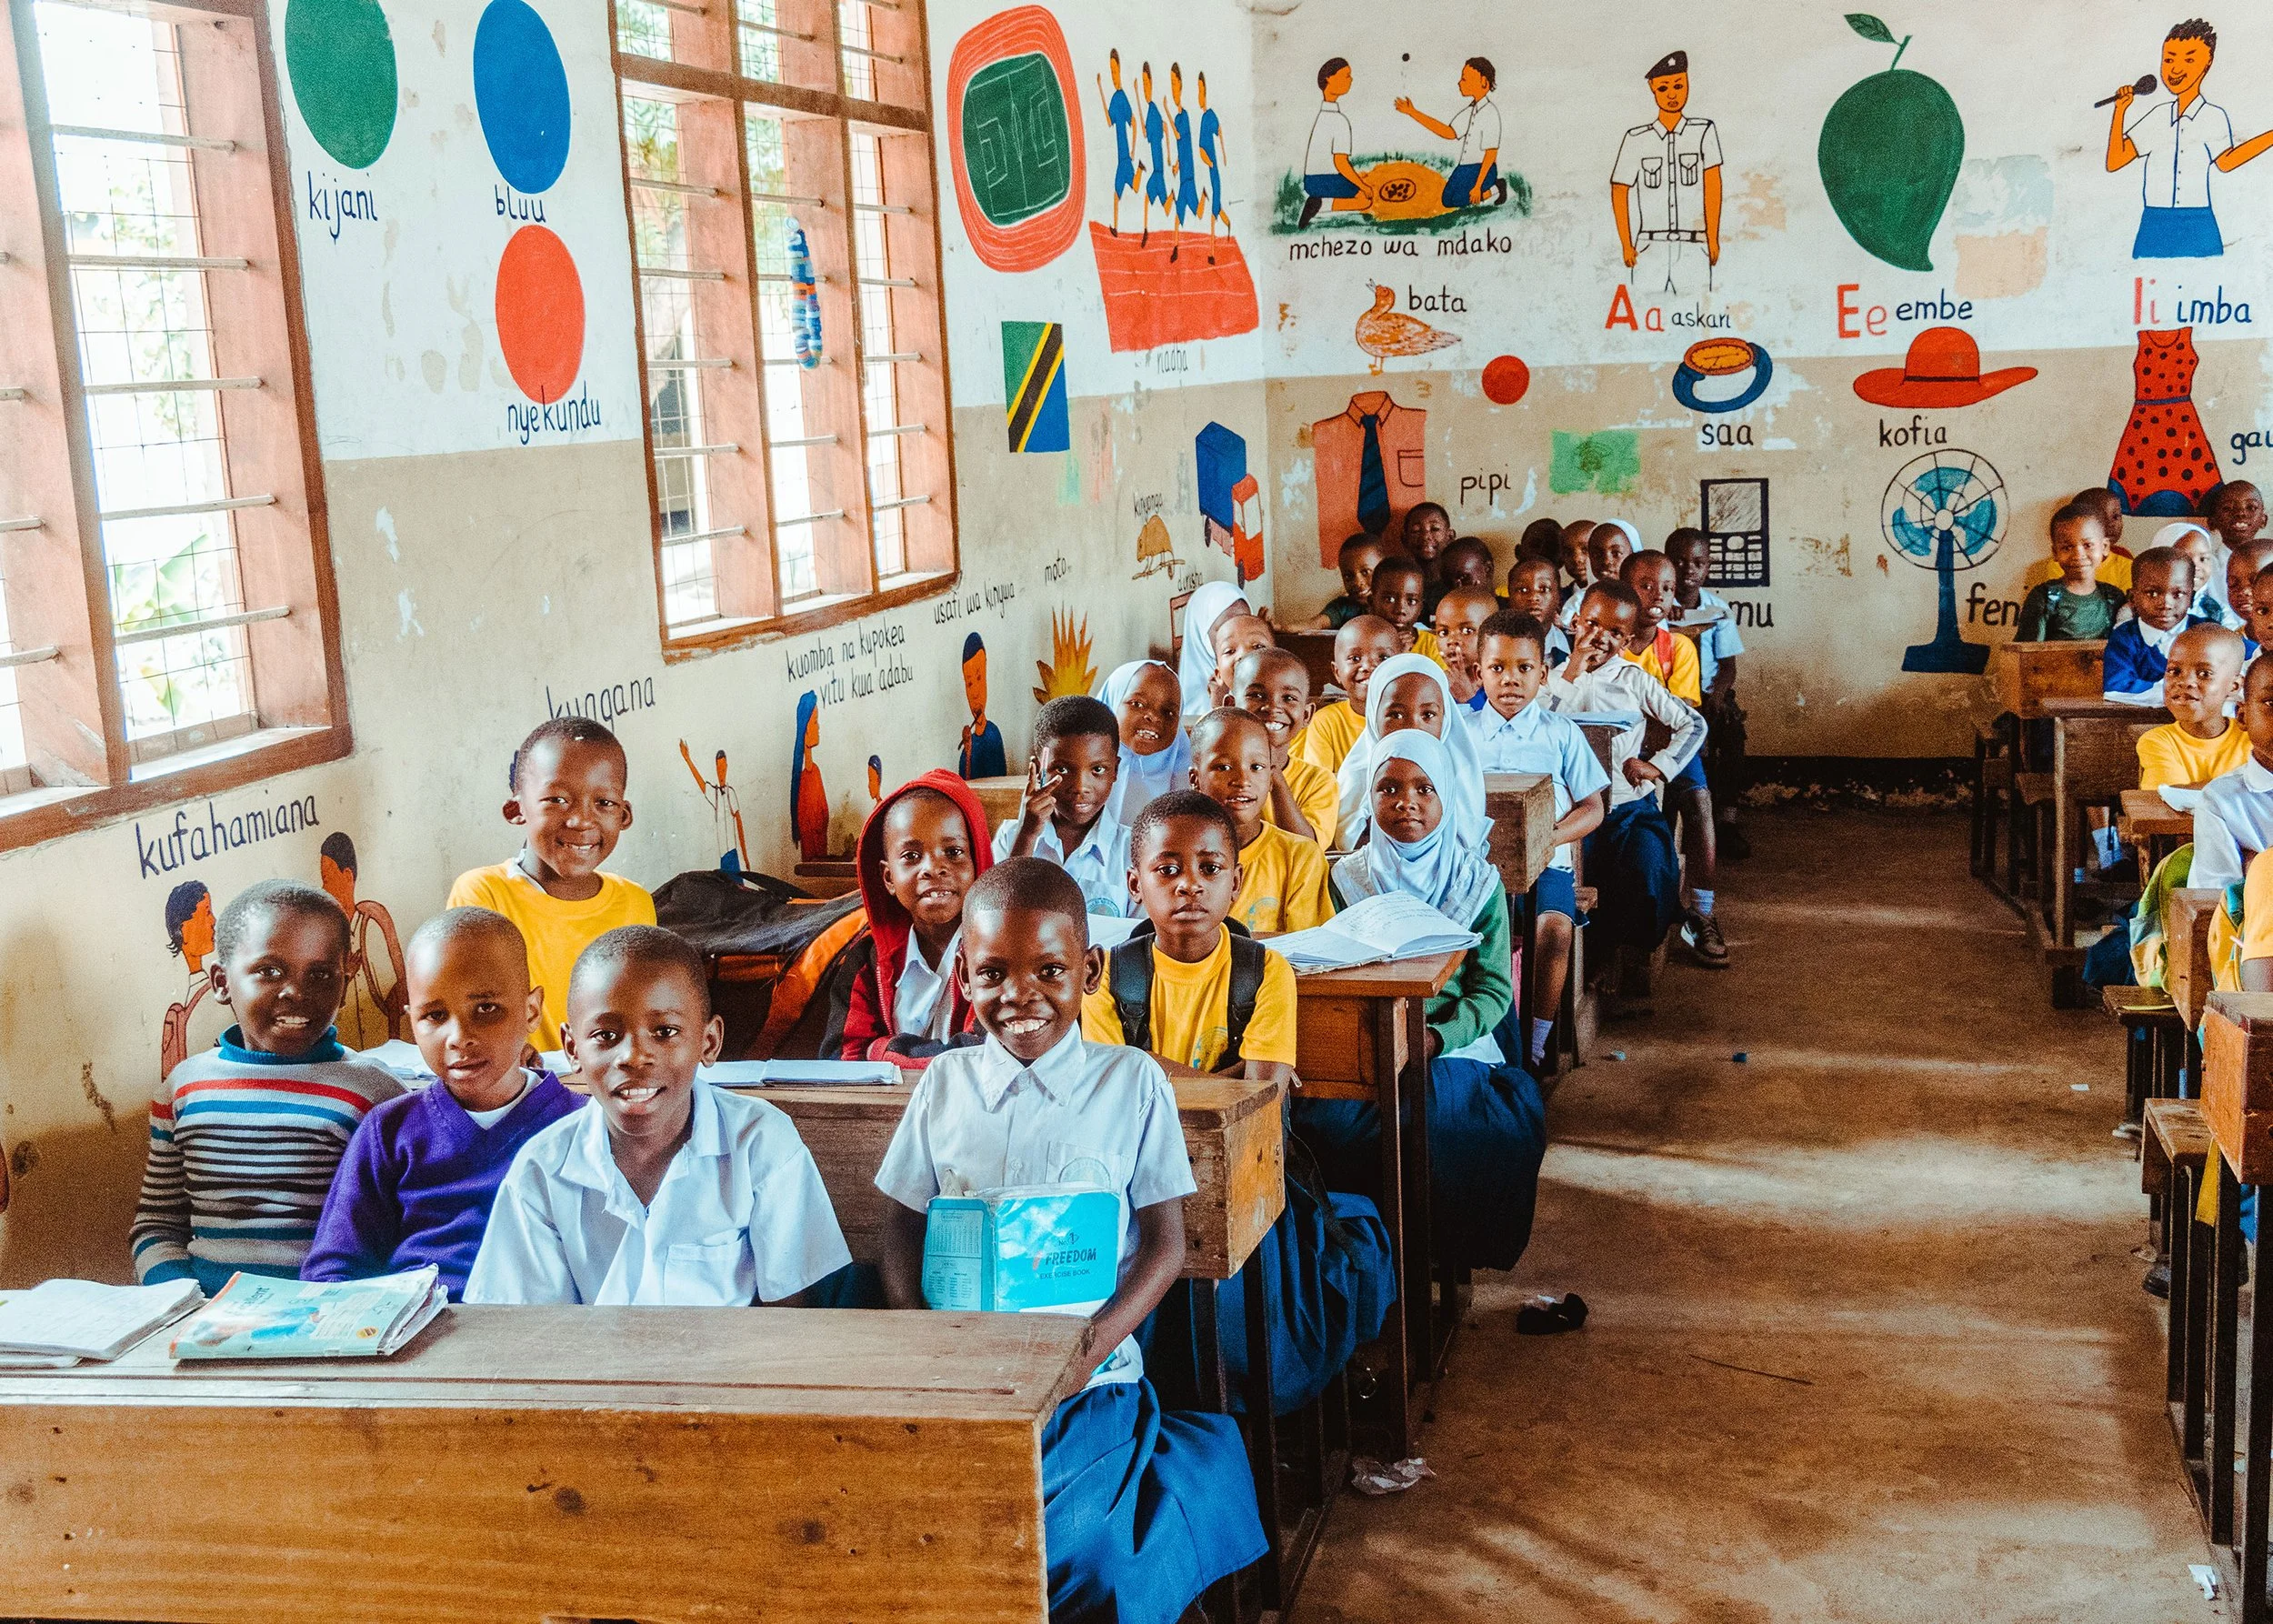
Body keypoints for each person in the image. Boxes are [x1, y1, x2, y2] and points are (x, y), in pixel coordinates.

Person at [876, 858, 1267, 1624]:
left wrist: (1084, 1352)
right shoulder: (946, 1084)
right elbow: (900, 1224)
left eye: (1049, 970)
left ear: (1088, 970)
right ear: (962, 975)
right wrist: (921, 1335)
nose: (1019, 996)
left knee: (1076, 1548)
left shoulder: (1129, 1084)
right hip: (963, 1382)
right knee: (920, 1538)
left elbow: (1164, 1247)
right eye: (992, 973)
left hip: (1088, 1384)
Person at [1084, 795, 1393, 1417]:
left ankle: (1239, 1420)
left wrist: (1150, 1074)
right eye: (1166, 869)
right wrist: (1217, 1079)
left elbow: (1261, 1095)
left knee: (1250, 1320)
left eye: (1208, 868)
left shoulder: (1265, 971)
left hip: (1244, 1178)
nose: (1188, 885)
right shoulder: (1110, 974)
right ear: (1134, 884)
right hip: (1135, 1190)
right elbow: (1109, 1090)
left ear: (1237, 881)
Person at [466, 927, 851, 1306]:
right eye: (605, 1035)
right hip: (594, 1365)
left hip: (732, 1365)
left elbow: (790, 1309)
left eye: (665, 1031)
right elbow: (529, 1326)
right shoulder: (543, 1168)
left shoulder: (758, 1141)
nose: (634, 1056)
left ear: (709, 1042)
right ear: (572, 1049)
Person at [1297, 732, 1546, 1271]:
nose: (1405, 801)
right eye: (1387, 787)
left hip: (1454, 1043)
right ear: (1370, 799)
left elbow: (1493, 989)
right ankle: (1373, 1259)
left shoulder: (1478, 883)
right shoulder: (1344, 879)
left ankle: (1438, 1258)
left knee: (1457, 1127)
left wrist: (1437, 1037)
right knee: (1331, 1128)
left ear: (1447, 799)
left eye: (1424, 789)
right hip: (1367, 1048)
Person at [131, 882, 404, 1292]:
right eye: (269, 971)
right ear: (221, 983)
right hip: (209, 1318)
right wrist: (179, 1295)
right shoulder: (182, 1090)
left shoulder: (374, 1094)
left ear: (345, 981)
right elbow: (157, 1222)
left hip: (331, 1311)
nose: (296, 991)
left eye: (321, 974)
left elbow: (404, 1221)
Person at [302, 908, 582, 1299]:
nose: (459, 1036)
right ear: (412, 1021)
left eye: (486, 1008)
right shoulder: (389, 1130)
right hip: (415, 1334)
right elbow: (333, 1270)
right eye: (434, 1015)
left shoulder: (583, 1126)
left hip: (540, 1333)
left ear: (531, 1011)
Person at [448, 717, 655, 1054]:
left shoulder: (634, 902)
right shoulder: (484, 894)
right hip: (519, 1085)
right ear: (516, 809)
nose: (581, 820)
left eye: (604, 803)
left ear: (624, 815)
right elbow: (469, 1007)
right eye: (557, 800)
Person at [1467, 613, 1610, 1072]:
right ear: (1478, 672)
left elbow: (1593, 807)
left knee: (1554, 928)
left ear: (1543, 674)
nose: (1511, 679)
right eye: (1497, 668)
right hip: (1478, 865)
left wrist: (1545, 838)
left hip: (1549, 861)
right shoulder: (1461, 736)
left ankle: (1535, 1044)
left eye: (1524, 668)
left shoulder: (1560, 733)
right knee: (1474, 936)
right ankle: (1485, 1039)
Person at [1545, 582, 1705, 982]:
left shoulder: (1634, 680)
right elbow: (1537, 722)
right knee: (1567, 878)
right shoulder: (1551, 675)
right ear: (1575, 623)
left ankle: (1626, 953)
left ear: (1628, 640)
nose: (1600, 637)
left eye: (1615, 633)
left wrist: (1660, 765)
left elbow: (1693, 723)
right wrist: (1572, 671)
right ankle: (1586, 962)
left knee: (1648, 868)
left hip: (1627, 806)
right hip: (1570, 809)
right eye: (1593, 625)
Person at [836, 771, 992, 1065]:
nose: (933, 868)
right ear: (888, 878)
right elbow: (844, 1058)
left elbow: (982, 1056)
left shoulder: (999, 958)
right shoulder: (865, 961)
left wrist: (879, 1051)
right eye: (911, 856)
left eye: (954, 851)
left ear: (978, 861)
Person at [1620, 550, 1724, 967]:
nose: (1657, 596)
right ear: (1625, 591)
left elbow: (1679, 721)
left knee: (1699, 803)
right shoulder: (1608, 644)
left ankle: (1701, 912)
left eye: (1666, 587)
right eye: (1645, 586)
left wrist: (1644, 723)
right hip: (1619, 754)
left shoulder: (1677, 647)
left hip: (1670, 752)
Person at [1189, 710, 1335, 934]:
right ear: (1195, 779)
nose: (1243, 780)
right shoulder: (1176, 854)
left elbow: (1310, 951)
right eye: (1223, 767)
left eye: (1256, 767)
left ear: (1271, 779)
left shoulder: (1300, 856)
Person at [2105, 18, 2238, 260]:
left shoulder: (2213, 116)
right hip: (2154, 223)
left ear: (2207, 63)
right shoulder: (2157, 116)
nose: (2175, 69)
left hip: (2198, 222)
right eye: (2169, 60)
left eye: (2189, 59)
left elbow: (2226, 162)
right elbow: (2115, 161)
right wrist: (2120, 110)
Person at [1333, 651, 1491, 849]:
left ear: (1446, 719)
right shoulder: (1355, 777)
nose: (1413, 727)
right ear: (1374, 718)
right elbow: (1345, 844)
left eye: (1428, 715)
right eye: (1396, 715)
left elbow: (1466, 841)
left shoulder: (1462, 776)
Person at [996, 696, 1133, 917]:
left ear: (1115, 770)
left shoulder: (1131, 851)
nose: (1080, 787)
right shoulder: (1011, 837)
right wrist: (1027, 835)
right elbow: (996, 914)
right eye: (1062, 770)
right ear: (1039, 770)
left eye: (1097, 769)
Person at [1666, 526, 1750, 860]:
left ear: (1709, 567)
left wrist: (1716, 695)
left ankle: (1726, 820)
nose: (1689, 570)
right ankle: (1679, 816)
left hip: (1709, 691)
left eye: (1698, 563)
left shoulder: (1718, 609)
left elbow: (1728, 666)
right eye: (1680, 562)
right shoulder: (1658, 602)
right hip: (1669, 694)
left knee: (1731, 731)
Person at [1611, 50, 1723, 296]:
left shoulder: (1703, 131)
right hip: (1651, 247)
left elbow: (1712, 184)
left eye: (1678, 85)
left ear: (1687, 83)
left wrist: (1712, 238)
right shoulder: (1636, 139)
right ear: (1652, 88)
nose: (1672, 94)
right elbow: (1620, 189)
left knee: (1698, 312)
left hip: (1694, 244)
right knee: (1645, 312)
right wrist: (1626, 244)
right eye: (1663, 88)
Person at [1235, 647, 1338, 847]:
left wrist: (1272, 772)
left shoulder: (1318, 782)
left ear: (1307, 715)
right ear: (1231, 704)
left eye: (1288, 698)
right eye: (1256, 695)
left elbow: (1307, 849)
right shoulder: (1220, 771)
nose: (1272, 707)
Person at [2192, 654, 2273, 892]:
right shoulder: (2222, 801)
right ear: (2242, 715)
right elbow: (2219, 903)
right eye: (2272, 703)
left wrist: (2256, 867)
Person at [2141, 624, 2250, 790]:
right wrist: (2241, 788)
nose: (2185, 682)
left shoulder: (2252, 740)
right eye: (2174, 671)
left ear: (2234, 686)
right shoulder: (2158, 741)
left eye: (2204, 674)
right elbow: (2170, 798)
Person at [1394, 56, 1506, 211]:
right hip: (1465, 168)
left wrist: (1478, 186)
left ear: (1484, 82)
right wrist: (1413, 112)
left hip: (1483, 169)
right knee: (1447, 200)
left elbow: (1491, 153)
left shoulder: (1490, 113)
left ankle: (1496, 188)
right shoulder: (1471, 110)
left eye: (1465, 79)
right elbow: (1449, 132)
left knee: (1460, 199)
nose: (1460, 83)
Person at [2105, 546, 2209, 707]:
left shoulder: (2207, 633)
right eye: (2152, 593)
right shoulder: (2125, 637)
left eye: (2178, 594)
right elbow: (2117, 689)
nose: (2166, 604)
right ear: (2132, 598)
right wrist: (2181, 693)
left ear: (2192, 599)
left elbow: (2244, 660)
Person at [1297, 614, 1399, 780]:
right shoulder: (1326, 723)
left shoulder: (1408, 720)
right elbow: (1320, 786)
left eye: (1383, 658)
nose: (1367, 666)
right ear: (1337, 672)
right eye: (1355, 658)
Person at [2014, 504, 2126, 642]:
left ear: (2104, 547)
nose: (2078, 555)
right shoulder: (2044, 598)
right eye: (2067, 547)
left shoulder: (2113, 598)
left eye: (2087, 545)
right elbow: (2028, 655)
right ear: (2055, 553)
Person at [1100, 659, 1191, 828]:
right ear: (1111, 704)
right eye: (1137, 704)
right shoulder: (1075, 772)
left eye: (1169, 712)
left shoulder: (1187, 780)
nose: (1154, 717)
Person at [1297, 56, 1370, 228]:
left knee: (1362, 179)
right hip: (1322, 181)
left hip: (1313, 180)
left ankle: (1319, 201)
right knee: (1365, 198)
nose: (1350, 80)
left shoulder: (1323, 117)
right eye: (1346, 75)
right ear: (1330, 78)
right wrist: (1363, 186)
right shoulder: (1338, 120)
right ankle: (1322, 205)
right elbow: (1340, 162)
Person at [1177, 580, 1252, 720]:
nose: (1239, 637)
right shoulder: (1190, 706)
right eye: (1224, 629)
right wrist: (1219, 706)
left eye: (1246, 624)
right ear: (1200, 632)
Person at [1307, 534, 1396, 630]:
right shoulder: (1343, 607)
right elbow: (1317, 623)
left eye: (1366, 572)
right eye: (1348, 576)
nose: (1357, 582)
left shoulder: (1398, 603)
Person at [1433, 583, 1501, 707]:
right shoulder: (1434, 686)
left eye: (1467, 631)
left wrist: (1469, 698)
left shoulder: (1504, 684)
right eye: (1444, 632)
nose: (1452, 640)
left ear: (1495, 635)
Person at [1097, 49, 1142, 236]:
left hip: (1125, 157)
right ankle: (1140, 169)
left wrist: (1132, 149)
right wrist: (1100, 89)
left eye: (1115, 71)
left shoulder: (1122, 97)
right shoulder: (1116, 98)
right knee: (1128, 189)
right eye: (1111, 72)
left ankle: (1140, 169)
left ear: (1120, 71)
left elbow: (1134, 123)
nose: (1113, 76)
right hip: (1122, 158)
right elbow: (1109, 121)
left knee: (1121, 193)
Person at [1368, 556, 1442, 664]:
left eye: (1411, 601)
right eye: (1389, 599)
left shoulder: (1432, 646)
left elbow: (1440, 680)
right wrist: (1395, 656)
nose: (1400, 610)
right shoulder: (1362, 643)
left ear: (1420, 608)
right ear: (1371, 602)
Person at [1505, 555, 1574, 667]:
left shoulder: (1575, 644)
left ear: (1558, 597)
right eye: (1523, 590)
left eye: (1544, 589)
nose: (1534, 597)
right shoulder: (1495, 646)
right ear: (1509, 596)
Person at [956, 632, 1008, 779]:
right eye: (969, 684)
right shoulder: (968, 745)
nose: (974, 694)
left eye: (978, 679)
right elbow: (965, 785)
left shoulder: (992, 734)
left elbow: (998, 780)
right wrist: (968, 749)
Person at [1207, 612, 1277, 711]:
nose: (1243, 655)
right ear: (1219, 675)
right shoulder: (1216, 721)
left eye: (1258, 647)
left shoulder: (1289, 709)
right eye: (1229, 651)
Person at [2162, 523, 2227, 627]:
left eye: (2203, 559)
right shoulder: (2143, 609)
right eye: (2185, 558)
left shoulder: (2215, 610)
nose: (2196, 566)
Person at [1402, 503, 1456, 613]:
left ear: (1450, 536)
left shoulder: (1457, 583)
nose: (1426, 536)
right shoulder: (1402, 586)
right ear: (1404, 539)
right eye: (1416, 530)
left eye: (1435, 529)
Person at [1587, 520, 1637, 590]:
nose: (1606, 561)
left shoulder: (1646, 598)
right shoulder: (1579, 600)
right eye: (1597, 554)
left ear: (1633, 556)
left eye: (1616, 553)